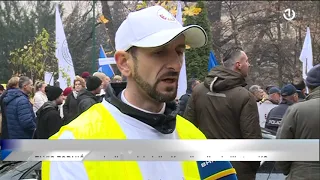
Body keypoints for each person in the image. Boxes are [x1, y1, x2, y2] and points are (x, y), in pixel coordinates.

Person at [42, 6, 237, 180]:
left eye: (179, 51)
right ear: (124, 63)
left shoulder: (195, 139)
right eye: (159, 52)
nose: (176, 64)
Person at [184, 47, 262, 180]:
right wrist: (252, 167)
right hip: (237, 170)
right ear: (238, 65)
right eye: (247, 61)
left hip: (206, 167)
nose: (249, 65)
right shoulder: (245, 97)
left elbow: (187, 129)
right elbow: (252, 139)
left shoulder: (198, 91)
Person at [276, 64, 320, 180]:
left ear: (308, 87)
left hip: (302, 174)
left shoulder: (296, 110)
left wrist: (291, 170)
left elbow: (282, 147)